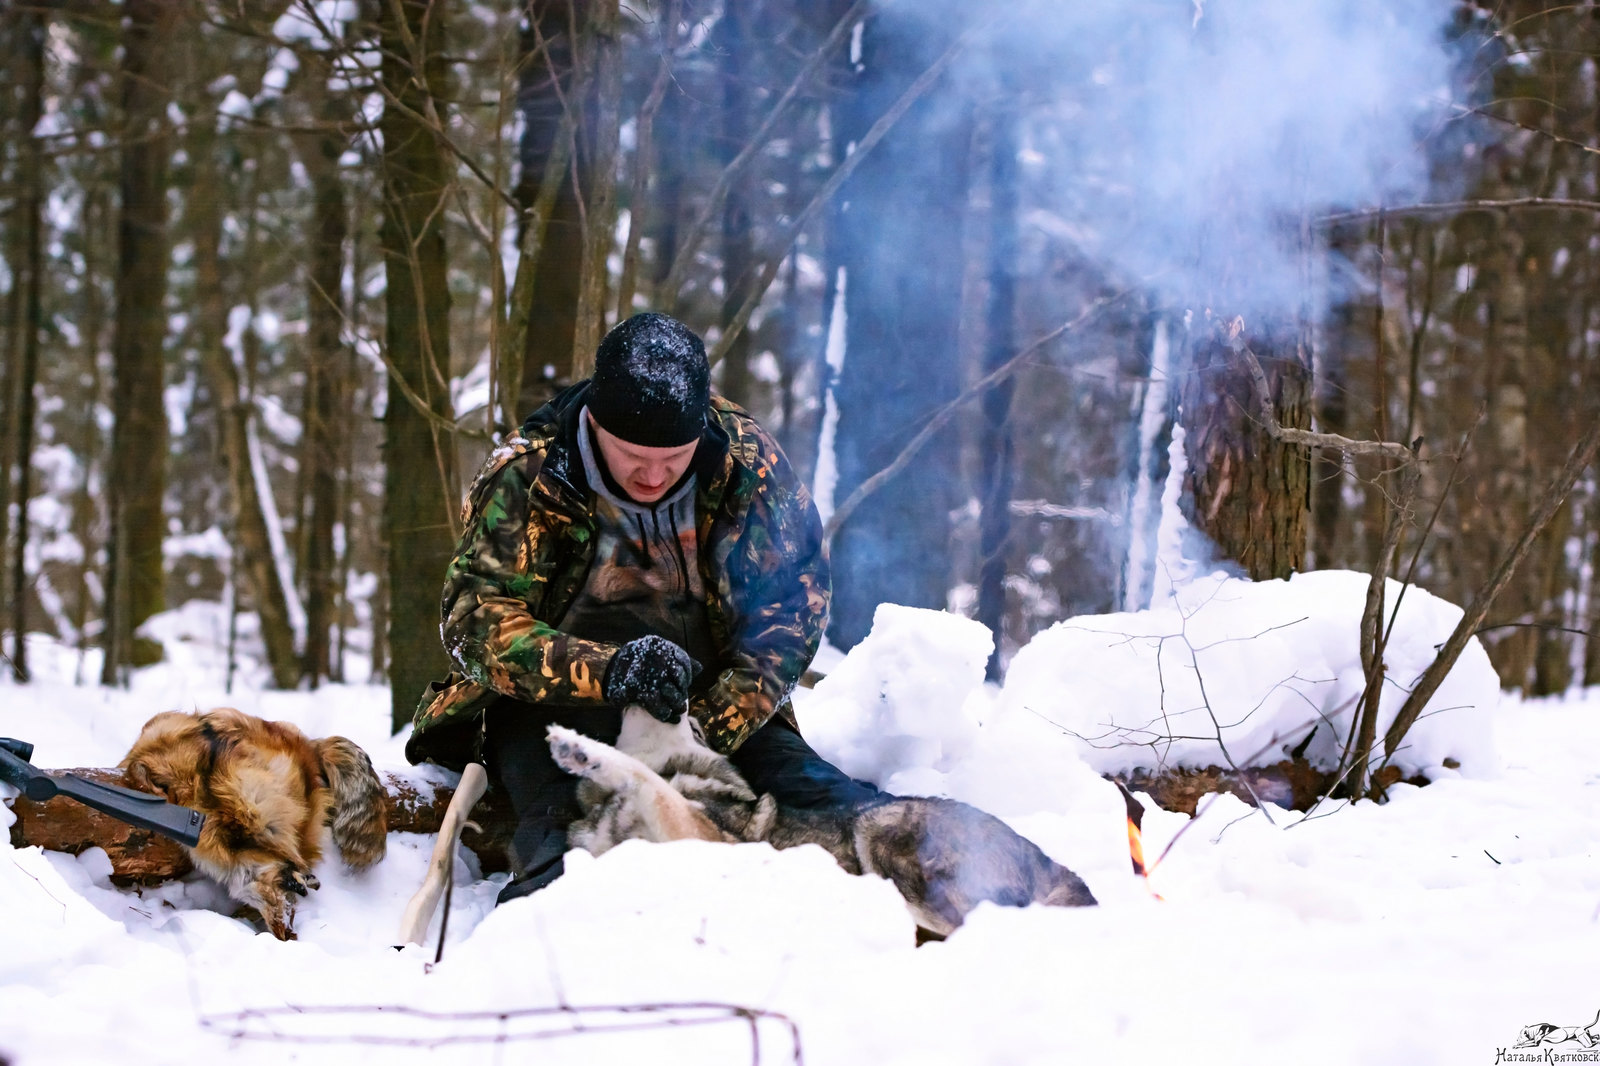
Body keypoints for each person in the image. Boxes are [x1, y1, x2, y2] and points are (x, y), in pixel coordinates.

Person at [406, 312, 878, 901]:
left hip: (711, 700)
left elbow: (793, 610)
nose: (654, 476)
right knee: (567, 849)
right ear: (595, 423)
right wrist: (609, 671)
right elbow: (474, 620)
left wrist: (705, 729)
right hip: (553, 708)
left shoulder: (749, 466)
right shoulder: (532, 473)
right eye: (633, 455)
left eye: (674, 458)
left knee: (840, 810)